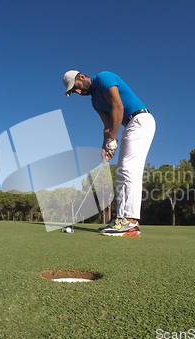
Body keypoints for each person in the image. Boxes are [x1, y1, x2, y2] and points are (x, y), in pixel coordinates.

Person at [63, 70, 156, 237]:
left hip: (141, 120)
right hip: (128, 126)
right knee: (121, 172)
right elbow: (107, 125)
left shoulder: (103, 78)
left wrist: (112, 140)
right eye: (74, 92)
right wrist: (105, 146)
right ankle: (121, 218)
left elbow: (118, 107)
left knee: (129, 169)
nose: (78, 92)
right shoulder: (95, 102)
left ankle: (131, 222)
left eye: (76, 87)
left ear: (82, 77)